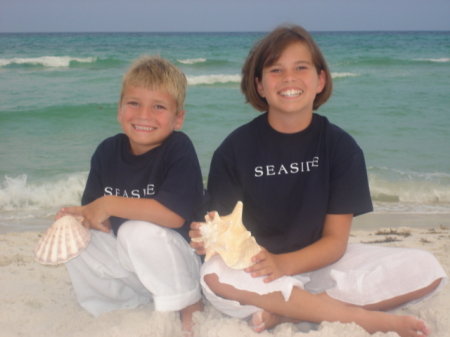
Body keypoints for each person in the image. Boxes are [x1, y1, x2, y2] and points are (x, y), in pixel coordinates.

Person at [190, 25, 447, 337]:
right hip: (259, 271)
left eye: (301, 68)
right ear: (259, 85)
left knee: (426, 268)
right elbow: (224, 238)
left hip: (319, 263)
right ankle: (364, 319)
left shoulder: (340, 147)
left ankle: (288, 314)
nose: (289, 78)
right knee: (214, 276)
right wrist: (207, 238)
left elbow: (336, 242)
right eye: (275, 70)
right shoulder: (234, 150)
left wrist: (285, 264)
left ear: (320, 79)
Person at [57, 55, 205, 335]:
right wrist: (77, 218)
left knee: (136, 231)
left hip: (180, 262)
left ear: (178, 118)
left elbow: (173, 216)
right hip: (133, 264)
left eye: (158, 106)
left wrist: (111, 203)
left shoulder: (178, 149)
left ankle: (189, 304)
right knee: (74, 238)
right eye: (134, 103)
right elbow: (99, 219)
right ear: (119, 109)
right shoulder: (107, 151)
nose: (144, 115)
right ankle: (123, 302)